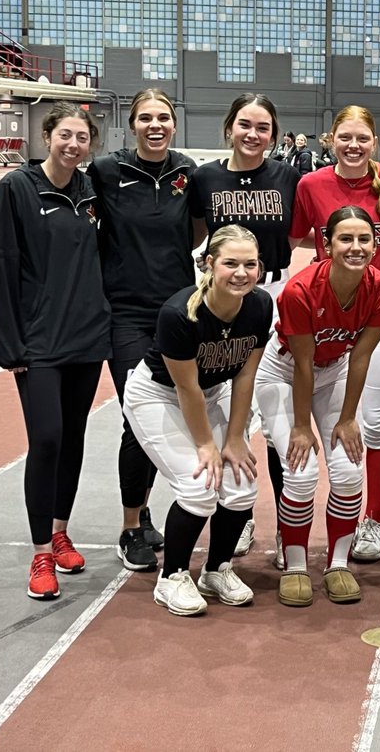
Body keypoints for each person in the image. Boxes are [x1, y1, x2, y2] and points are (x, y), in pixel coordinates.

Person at [0, 102, 111, 600]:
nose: (73, 145)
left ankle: (61, 531)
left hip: (86, 338)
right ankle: (41, 551)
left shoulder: (89, 191)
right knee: (47, 439)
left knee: (74, 438)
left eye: (82, 138)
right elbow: (2, 266)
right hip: (37, 343)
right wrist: (9, 344)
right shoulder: (16, 189)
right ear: (47, 136)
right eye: (65, 135)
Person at [256, 206, 380, 606]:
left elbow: (360, 358)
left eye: (364, 239)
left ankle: (338, 563)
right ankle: (296, 563)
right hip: (284, 373)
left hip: (335, 370)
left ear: (376, 245)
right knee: (301, 473)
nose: (355, 247)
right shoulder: (300, 291)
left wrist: (349, 417)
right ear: (326, 244)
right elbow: (303, 363)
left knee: (349, 470)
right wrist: (302, 425)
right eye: (345, 239)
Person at [122, 226, 271, 615]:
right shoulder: (179, 313)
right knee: (201, 485)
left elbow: (245, 375)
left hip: (215, 390)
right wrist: (207, 446)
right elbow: (185, 389)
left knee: (240, 485)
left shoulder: (259, 306)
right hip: (159, 394)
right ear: (208, 265)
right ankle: (170, 577)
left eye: (250, 264)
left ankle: (216, 569)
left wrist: (236, 437)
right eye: (230, 263)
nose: (241, 273)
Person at [289, 105, 380, 563]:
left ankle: (372, 522)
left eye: (362, 138)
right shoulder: (310, 185)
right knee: (314, 421)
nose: (354, 146)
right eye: (345, 138)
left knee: (375, 422)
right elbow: (296, 245)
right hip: (327, 317)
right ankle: (296, 525)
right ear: (330, 140)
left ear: (374, 142)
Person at [90, 88, 199, 571]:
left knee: (169, 411)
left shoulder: (188, 173)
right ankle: (130, 527)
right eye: (145, 118)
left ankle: (146, 512)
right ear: (131, 125)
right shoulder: (107, 172)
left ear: (174, 124)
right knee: (139, 417)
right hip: (126, 314)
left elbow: (195, 232)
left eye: (164, 117)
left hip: (179, 311)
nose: (155, 125)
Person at [189, 93, 300, 560]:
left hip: (272, 294)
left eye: (263, 128)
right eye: (244, 125)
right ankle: (239, 518)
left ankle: (283, 527)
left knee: (276, 417)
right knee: (229, 411)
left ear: (274, 135)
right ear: (228, 128)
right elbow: (193, 237)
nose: (253, 135)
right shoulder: (205, 178)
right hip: (220, 300)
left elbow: (300, 236)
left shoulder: (288, 177)